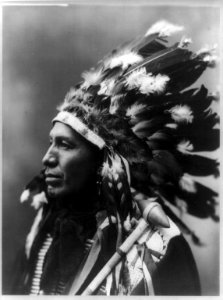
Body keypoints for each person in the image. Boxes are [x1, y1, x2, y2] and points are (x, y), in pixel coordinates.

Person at [11, 20, 219, 295]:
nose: (48, 158)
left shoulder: (157, 247)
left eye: (64, 145)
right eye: (51, 143)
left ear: (102, 160)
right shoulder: (41, 233)